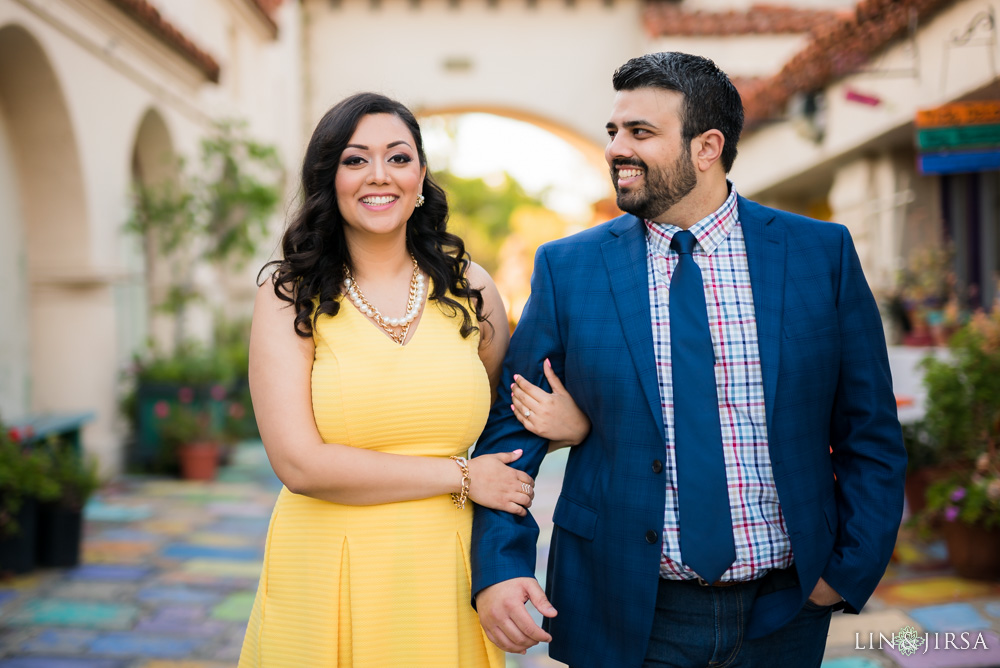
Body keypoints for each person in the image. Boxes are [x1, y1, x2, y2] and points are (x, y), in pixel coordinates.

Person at [470, 52, 907, 667]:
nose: (616, 148)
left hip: (785, 608)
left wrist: (844, 572)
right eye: (613, 132)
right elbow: (510, 434)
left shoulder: (820, 254)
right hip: (624, 605)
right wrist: (499, 567)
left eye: (640, 133)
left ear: (707, 147)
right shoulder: (568, 268)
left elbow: (870, 431)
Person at [237, 92, 590, 667]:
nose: (379, 175)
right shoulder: (288, 295)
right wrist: (459, 475)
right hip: (327, 561)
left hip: (442, 564)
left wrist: (568, 425)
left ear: (421, 175)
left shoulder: (472, 289)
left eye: (398, 158)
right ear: (330, 178)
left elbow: (509, 421)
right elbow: (298, 464)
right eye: (356, 160)